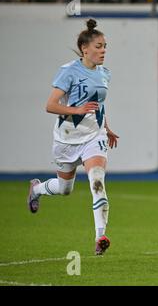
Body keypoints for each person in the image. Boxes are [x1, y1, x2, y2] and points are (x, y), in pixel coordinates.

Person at [27, 19, 119, 255]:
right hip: (66, 139)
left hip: (93, 137)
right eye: (99, 46)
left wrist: (106, 128)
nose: (103, 51)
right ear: (84, 48)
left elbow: (98, 105)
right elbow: (50, 105)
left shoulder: (104, 73)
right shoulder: (68, 71)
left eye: (105, 46)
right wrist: (76, 110)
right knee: (64, 189)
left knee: (97, 182)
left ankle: (100, 237)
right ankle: (36, 189)